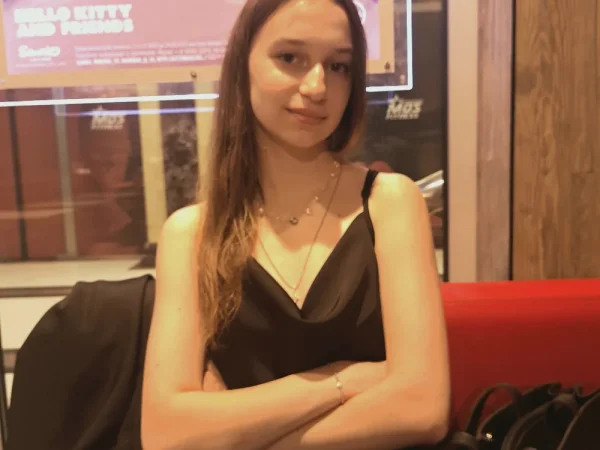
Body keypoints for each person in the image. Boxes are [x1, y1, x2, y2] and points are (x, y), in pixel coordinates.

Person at [141, 0, 450, 449]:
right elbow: (167, 434)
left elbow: (422, 409)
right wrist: (340, 382)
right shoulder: (191, 234)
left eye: (338, 66)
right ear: (242, 65)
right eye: (290, 58)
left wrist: (235, 433)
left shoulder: (390, 202)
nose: (317, 86)